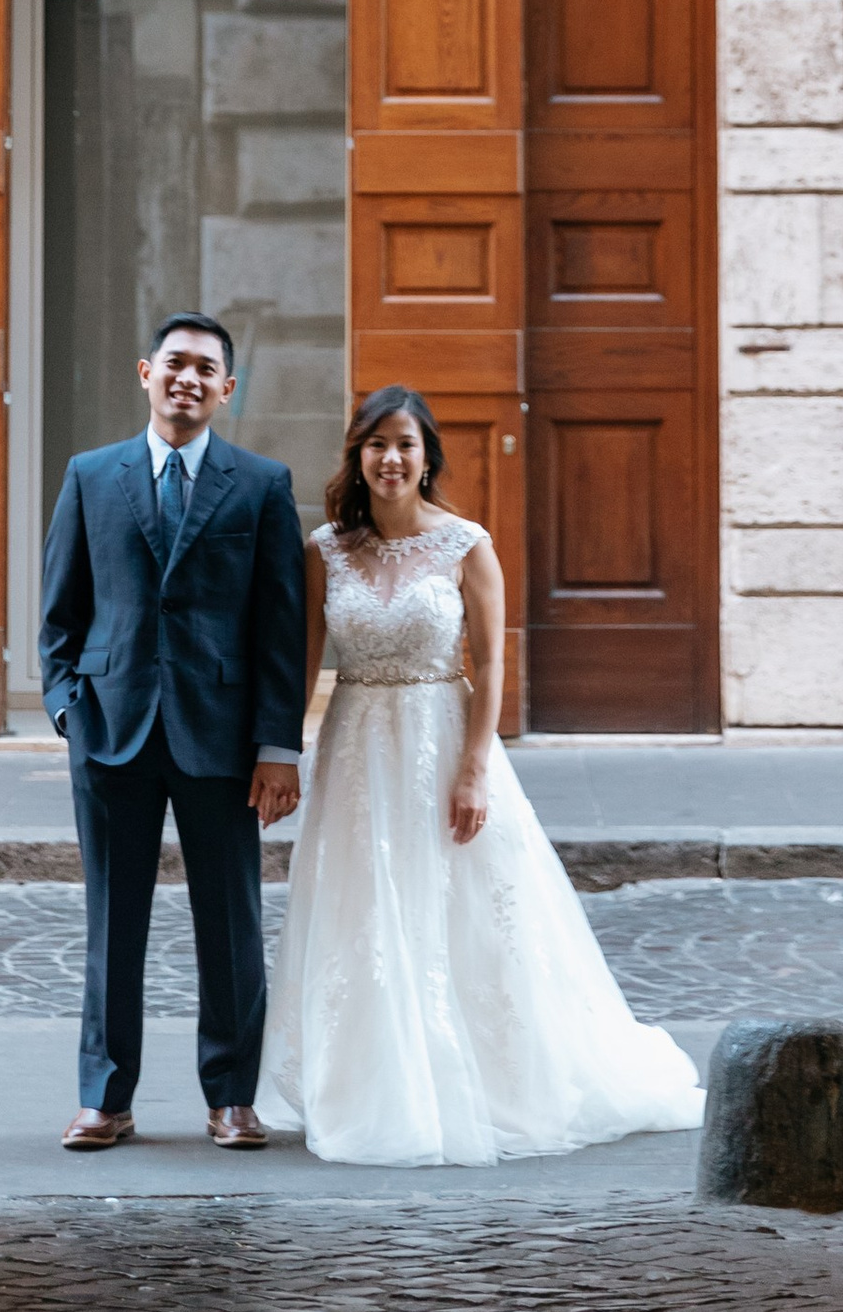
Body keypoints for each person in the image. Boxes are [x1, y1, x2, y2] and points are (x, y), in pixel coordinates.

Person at [262, 384, 707, 1165]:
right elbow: (303, 663)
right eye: (375, 444)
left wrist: (475, 770)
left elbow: (493, 660)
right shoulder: (325, 548)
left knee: (463, 906)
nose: (390, 458)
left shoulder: (466, 542)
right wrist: (284, 754)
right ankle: (371, 1082)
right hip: (356, 742)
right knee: (362, 907)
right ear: (356, 457)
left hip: (441, 733)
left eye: (405, 444)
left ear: (427, 456)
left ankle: (482, 1077)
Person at [38, 312, 308, 1148]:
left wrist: (277, 745)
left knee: (230, 922)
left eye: (207, 370)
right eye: (176, 364)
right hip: (111, 730)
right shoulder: (90, 475)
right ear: (145, 372)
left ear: (227, 390)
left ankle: (231, 1097)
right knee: (112, 924)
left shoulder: (261, 485)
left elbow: (281, 627)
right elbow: (59, 610)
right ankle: (105, 1098)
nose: (188, 380)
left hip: (221, 739)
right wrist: (66, 707)